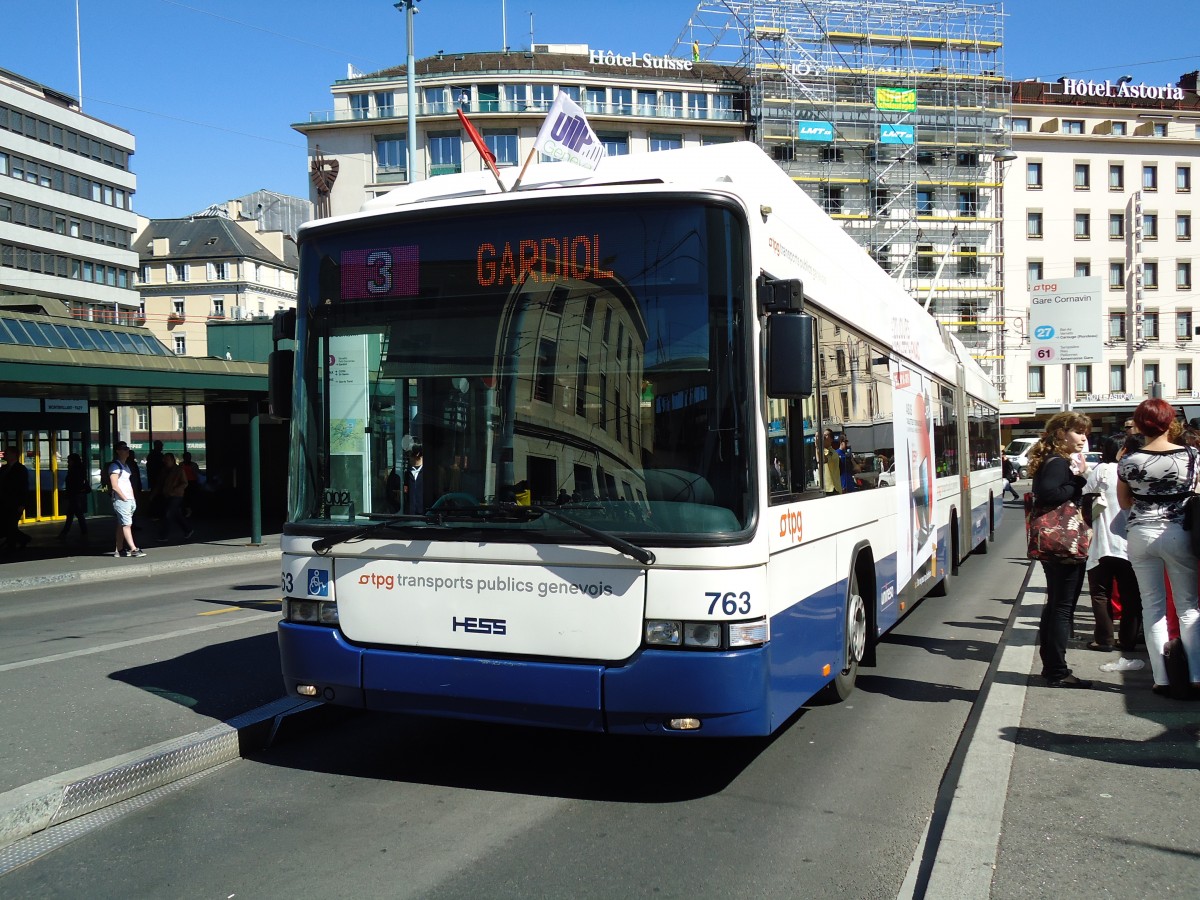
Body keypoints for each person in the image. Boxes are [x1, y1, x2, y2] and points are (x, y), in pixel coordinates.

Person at [1117, 398, 1200, 697]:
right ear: (1170, 422)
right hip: (1179, 532)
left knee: (1152, 608)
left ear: (1139, 425)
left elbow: (1125, 502)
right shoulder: (1191, 456)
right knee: (1187, 607)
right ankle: (1195, 675)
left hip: (1140, 534)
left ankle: (1162, 679)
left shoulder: (1129, 461)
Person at [1028, 410, 1093, 688]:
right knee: (1062, 607)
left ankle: (1053, 667)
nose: (1083, 437)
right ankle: (1057, 670)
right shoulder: (1057, 463)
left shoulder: (1054, 460)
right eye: (1078, 432)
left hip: (1055, 543)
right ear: (1060, 434)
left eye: (1084, 432)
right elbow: (1048, 493)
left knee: (1056, 604)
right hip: (1062, 544)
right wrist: (1079, 480)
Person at [1082, 434, 1142, 653]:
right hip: (1131, 545)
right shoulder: (1136, 471)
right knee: (1131, 596)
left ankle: (1104, 640)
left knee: (1100, 594)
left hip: (1102, 543)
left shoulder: (1102, 470)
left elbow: (1086, 496)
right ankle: (1128, 641)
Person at [107, 441, 145, 558]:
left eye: (127, 448)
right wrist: (123, 497)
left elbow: (127, 483)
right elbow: (114, 485)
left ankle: (119, 549)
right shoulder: (115, 466)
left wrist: (132, 498)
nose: (127, 450)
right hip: (122, 500)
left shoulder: (126, 466)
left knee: (122, 524)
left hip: (129, 499)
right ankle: (133, 548)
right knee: (127, 524)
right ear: (118, 451)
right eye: (124, 449)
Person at [156, 453, 193, 541]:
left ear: (172, 460)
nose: (165, 461)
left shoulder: (179, 470)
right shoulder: (164, 470)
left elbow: (184, 482)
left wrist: (175, 490)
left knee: (168, 514)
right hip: (167, 494)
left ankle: (164, 535)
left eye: (167, 459)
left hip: (177, 495)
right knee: (176, 514)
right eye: (164, 459)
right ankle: (188, 529)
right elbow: (160, 484)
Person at [0, 446, 31, 550]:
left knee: (11, 525)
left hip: (15, 503)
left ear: (13, 455)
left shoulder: (20, 469)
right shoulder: (4, 468)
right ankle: (20, 540)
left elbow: (23, 487)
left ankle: (13, 545)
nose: (4, 455)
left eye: (7, 453)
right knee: (7, 525)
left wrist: (22, 504)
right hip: (4, 502)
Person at [58, 452, 90, 543]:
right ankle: (66, 532)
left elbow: (73, 482)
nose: (68, 462)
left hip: (74, 494)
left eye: (69, 460)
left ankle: (66, 532)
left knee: (75, 514)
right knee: (73, 514)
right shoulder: (80, 469)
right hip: (76, 494)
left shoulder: (75, 470)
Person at [403, 445, 425, 514]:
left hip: (426, 517)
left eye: (410, 454)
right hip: (408, 516)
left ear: (417, 454)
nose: (408, 457)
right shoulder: (405, 473)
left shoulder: (428, 472)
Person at [822, 430, 842, 496]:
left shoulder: (833, 452)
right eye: (823, 435)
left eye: (826, 435)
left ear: (831, 440)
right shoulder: (822, 450)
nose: (824, 437)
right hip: (824, 488)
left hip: (832, 488)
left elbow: (824, 460)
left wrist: (818, 446)